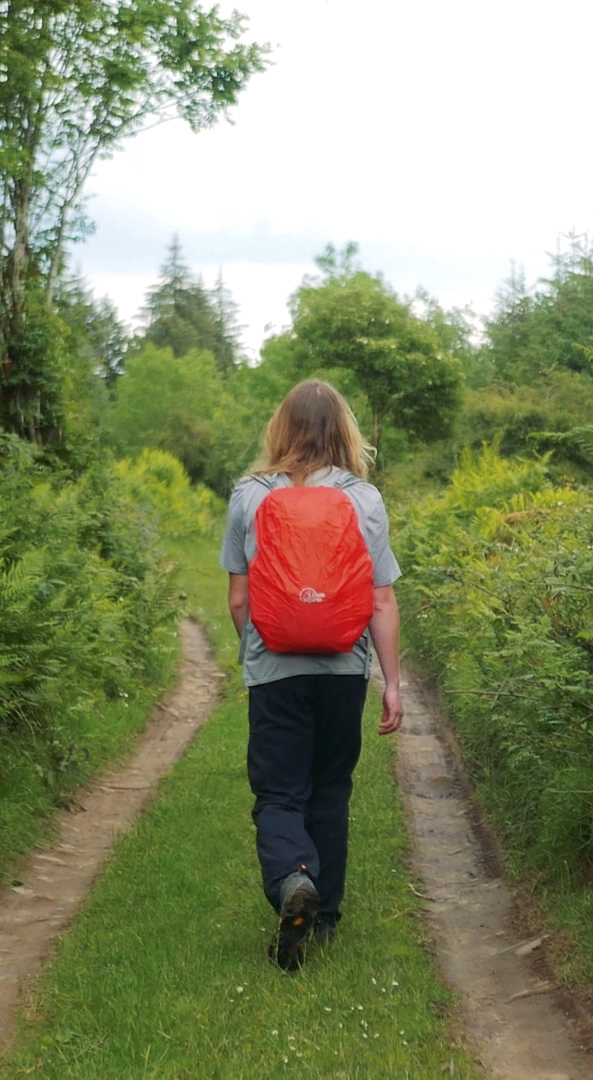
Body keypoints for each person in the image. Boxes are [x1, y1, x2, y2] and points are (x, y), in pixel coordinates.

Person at [220, 378, 404, 971]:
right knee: (330, 788)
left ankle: (292, 880)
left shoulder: (248, 495)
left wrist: (256, 655)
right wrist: (392, 684)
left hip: (275, 670)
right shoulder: (364, 500)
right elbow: (380, 602)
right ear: (344, 430)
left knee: (279, 792)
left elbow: (238, 601)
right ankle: (321, 920)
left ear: (280, 427)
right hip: (342, 670)